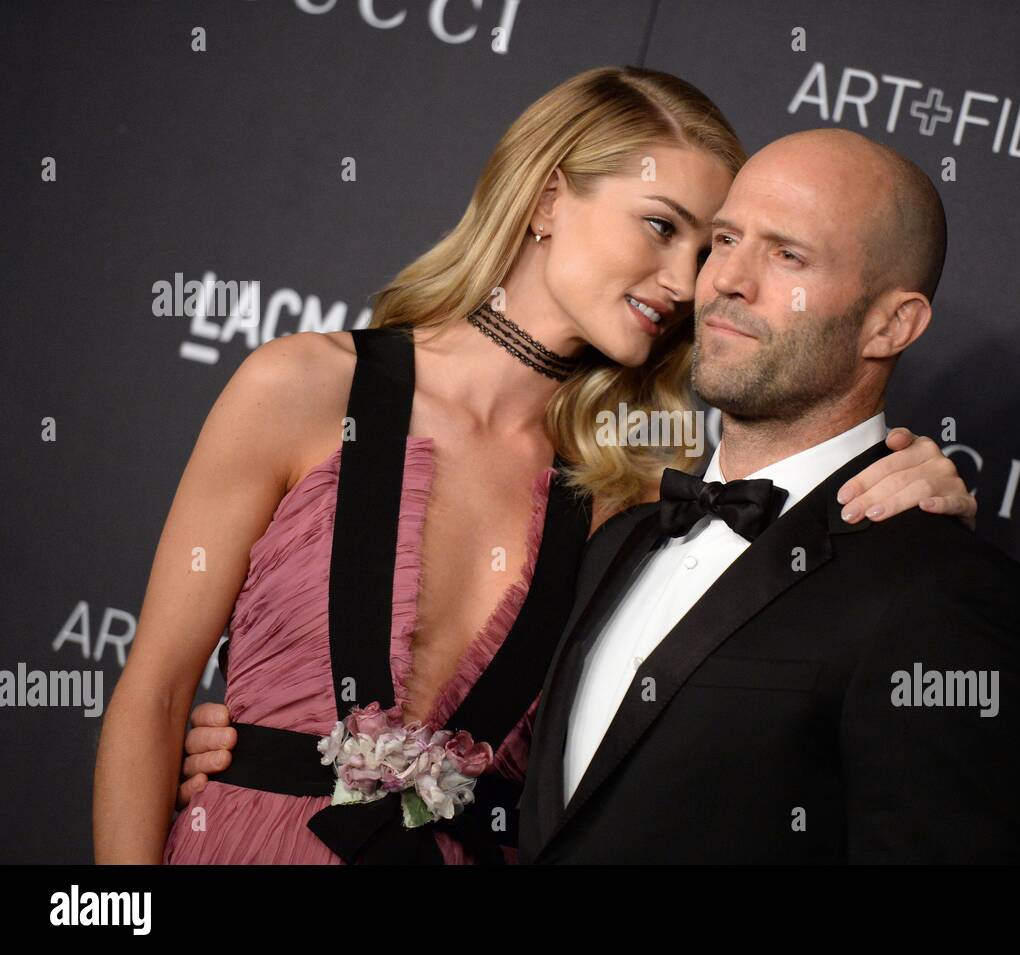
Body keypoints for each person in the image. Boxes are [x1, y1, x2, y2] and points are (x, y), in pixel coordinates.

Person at [96, 66, 975, 865]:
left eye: (703, 249)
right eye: (662, 227)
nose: (686, 280)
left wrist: (921, 490)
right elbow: (159, 691)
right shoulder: (300, 386)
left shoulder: (636, 497)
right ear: (550, 198)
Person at [514, 129, 1020, 863]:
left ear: (890, 323)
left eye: (788, 255)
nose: (726, 280)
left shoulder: (945, 594)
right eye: (727, 239)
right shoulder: (619, 537)